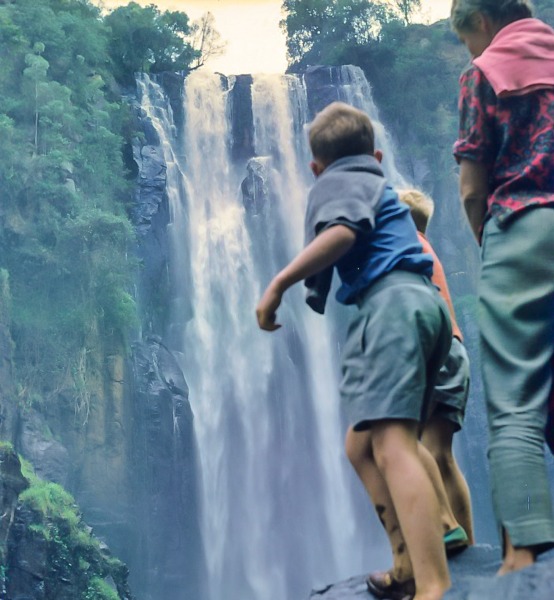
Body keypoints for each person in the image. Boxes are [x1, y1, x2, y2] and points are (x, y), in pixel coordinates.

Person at [256, 101, 452, 600]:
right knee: (362, 445)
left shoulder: (337, 182)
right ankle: (407, 561)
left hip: (390, 308)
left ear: (314, 169)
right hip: (422, 307)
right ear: (377, 154)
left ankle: (432, 583)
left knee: (391, 447)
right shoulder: (376, 181)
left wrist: (279, 283)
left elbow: (342, 233)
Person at [451, 0, 554, 575]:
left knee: (515, 406)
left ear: (483, 23)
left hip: (523, 228)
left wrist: (492, 243)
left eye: (469, 40)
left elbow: (471, 188)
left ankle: (524, 561)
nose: (472, 51)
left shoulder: (485, 71)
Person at [399, 188, 474, 545]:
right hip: (449, 353)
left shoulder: (411, 246)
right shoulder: (425, 249)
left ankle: (450, 531)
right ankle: (463, 540)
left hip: (438, 356)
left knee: (431, 453)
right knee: (439, 455)